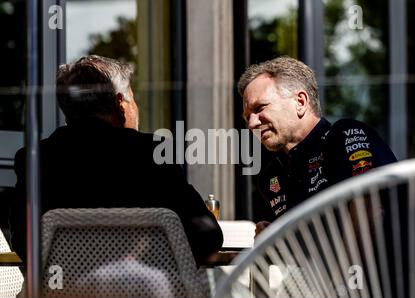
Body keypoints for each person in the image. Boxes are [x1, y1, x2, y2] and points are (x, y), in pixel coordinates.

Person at [11, 55, 223, 266]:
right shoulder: (154, 154)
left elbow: (23, 244)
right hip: (144, 292)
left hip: (61, 294)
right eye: (133, 98)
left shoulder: (35, 159)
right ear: (120, 103)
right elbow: (207, 237)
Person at [238, 56, 397, 235]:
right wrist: (273, 238)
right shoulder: (270, 176)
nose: (252, 124)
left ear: (300, 102)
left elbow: (372, 208)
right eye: (247, 117)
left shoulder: (345, 135)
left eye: (260, 108)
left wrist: (343, 264)